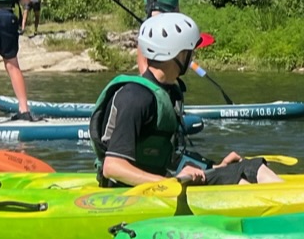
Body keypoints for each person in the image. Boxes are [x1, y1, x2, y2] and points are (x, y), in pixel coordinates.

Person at [92, 12, 283, 187]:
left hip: (161, 182)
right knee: (245, 177)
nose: (193, 57)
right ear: (178, 54)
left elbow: (163, 155)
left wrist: (213, 168)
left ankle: (283, 197)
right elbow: (113, 167)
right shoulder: (135, 97)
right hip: (127, 193)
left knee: (251, 167)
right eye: (190, 52)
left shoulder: (168, 93)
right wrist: (170, 182)